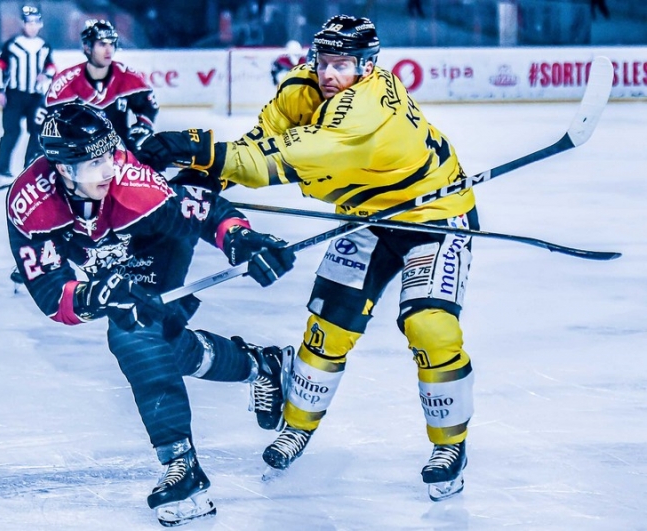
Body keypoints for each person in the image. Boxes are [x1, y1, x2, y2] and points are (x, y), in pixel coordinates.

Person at [137, 15, 477, 502]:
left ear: (367, 66)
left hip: (433, 216)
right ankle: (297, 426)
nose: (328, 73)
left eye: (341, 64)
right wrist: (212, 175)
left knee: (430, 327)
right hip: (366, 219)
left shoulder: (365, 109)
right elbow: (260, 143)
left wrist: (196, 148)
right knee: (327, 329)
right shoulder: (301, 87)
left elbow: (282, 160)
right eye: (324, 62)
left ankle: (450, 445)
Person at [6, 101, 296, 526]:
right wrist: (95, 295)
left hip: (156, 241)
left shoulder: (134, 187)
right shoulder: (31, 204)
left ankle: (182, 466)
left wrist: (239, 238)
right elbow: (52, 296)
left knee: (134, 331)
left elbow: (203, 211)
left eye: (110, 155)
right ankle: (260, 365)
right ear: (64, 168)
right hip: (107, 251)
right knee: (165, 345)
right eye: (94, 163)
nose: (108, 168)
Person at [46, 19, 159, 157]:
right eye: (102, 44)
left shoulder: (128, 76)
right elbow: (51, 119)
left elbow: (148, 107)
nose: (108, 50)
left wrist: (141, 129)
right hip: (80, 156)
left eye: (112, 44)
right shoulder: (66, 81)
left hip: (120, 153)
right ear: (87, 47)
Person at [0, 5, 55, 185]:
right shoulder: (12, 45)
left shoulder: (44, 46)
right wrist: (0, 90)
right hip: (15, 95)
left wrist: (46, 75)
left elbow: (51, 66)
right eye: (29, 23)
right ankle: (3, 170)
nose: (32, 26)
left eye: (36, 23)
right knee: (11, 132)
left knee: (37, 132)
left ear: (40, 24)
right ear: (23, 24)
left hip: (36, 97)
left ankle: (30, 167)